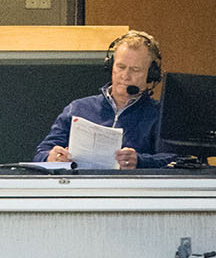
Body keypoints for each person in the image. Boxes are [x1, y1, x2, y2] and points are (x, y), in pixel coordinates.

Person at [32, 30, 173, 169]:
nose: (125, 75)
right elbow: (40, 154)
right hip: (81, 190)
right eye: (121, 67)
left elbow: (178, 159)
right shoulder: (77, 108)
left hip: (131, 190)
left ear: (151, 74)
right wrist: (51, 156)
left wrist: (140, 161)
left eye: (135, 70)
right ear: (111, 66)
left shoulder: (160, 115)